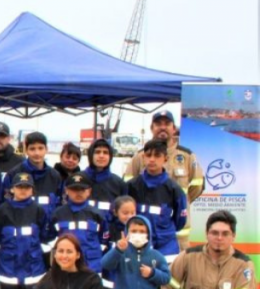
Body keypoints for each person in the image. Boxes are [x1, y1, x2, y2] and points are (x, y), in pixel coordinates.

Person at [123, 110, 204, 252]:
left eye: (167, 123)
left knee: (176, 272)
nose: (162, 127)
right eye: (158, 124)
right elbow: (127, 191)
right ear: (151, 128)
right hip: (143, 231)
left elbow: (197, 186)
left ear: (174, 128)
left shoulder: (187, 156)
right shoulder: (139, 156)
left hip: (179, 233)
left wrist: (180, 201)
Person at [0, 172, 50, 289]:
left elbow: (45, 236)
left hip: (33, 267)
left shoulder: (39, 210)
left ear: (32, 190)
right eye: (19, 187)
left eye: (27, 187)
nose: (23, 190)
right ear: (12, 189)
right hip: (8, 267)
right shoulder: (3, 209)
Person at [126, 139, 188, 264]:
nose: (152, 159)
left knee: (165, 280)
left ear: (165, 158)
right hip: (137, 242)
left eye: (157, 155)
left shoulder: (174, 189)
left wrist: (164, 231)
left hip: (166, 245)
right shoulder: (131, 186)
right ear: (143, 158)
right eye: (148, 155)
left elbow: (180, 220)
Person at [50, 173, 108, 272]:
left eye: (82, 190)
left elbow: (104, 240)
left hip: (92, 266)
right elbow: (51, 238)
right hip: (65, 265)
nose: (78, 193)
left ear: (89, 191)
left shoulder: (97, 214)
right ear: (66, 190)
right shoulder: (58, 214)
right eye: (74, 190)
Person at [0, 131, 62, 218]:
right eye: (32, 149)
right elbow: (5, 204)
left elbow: (60, 206)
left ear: (46, 149)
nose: (37, 153)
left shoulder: (55, 176)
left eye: (40, 148)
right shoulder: (13, 174)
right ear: (26, 150)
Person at [83, 138, 128, 224]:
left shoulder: (119, 184)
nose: (101, 156)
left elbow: (122, 213)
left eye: (105, 152)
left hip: (109, 234)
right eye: (97, 152)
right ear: (90, 155)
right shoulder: (79, 180)